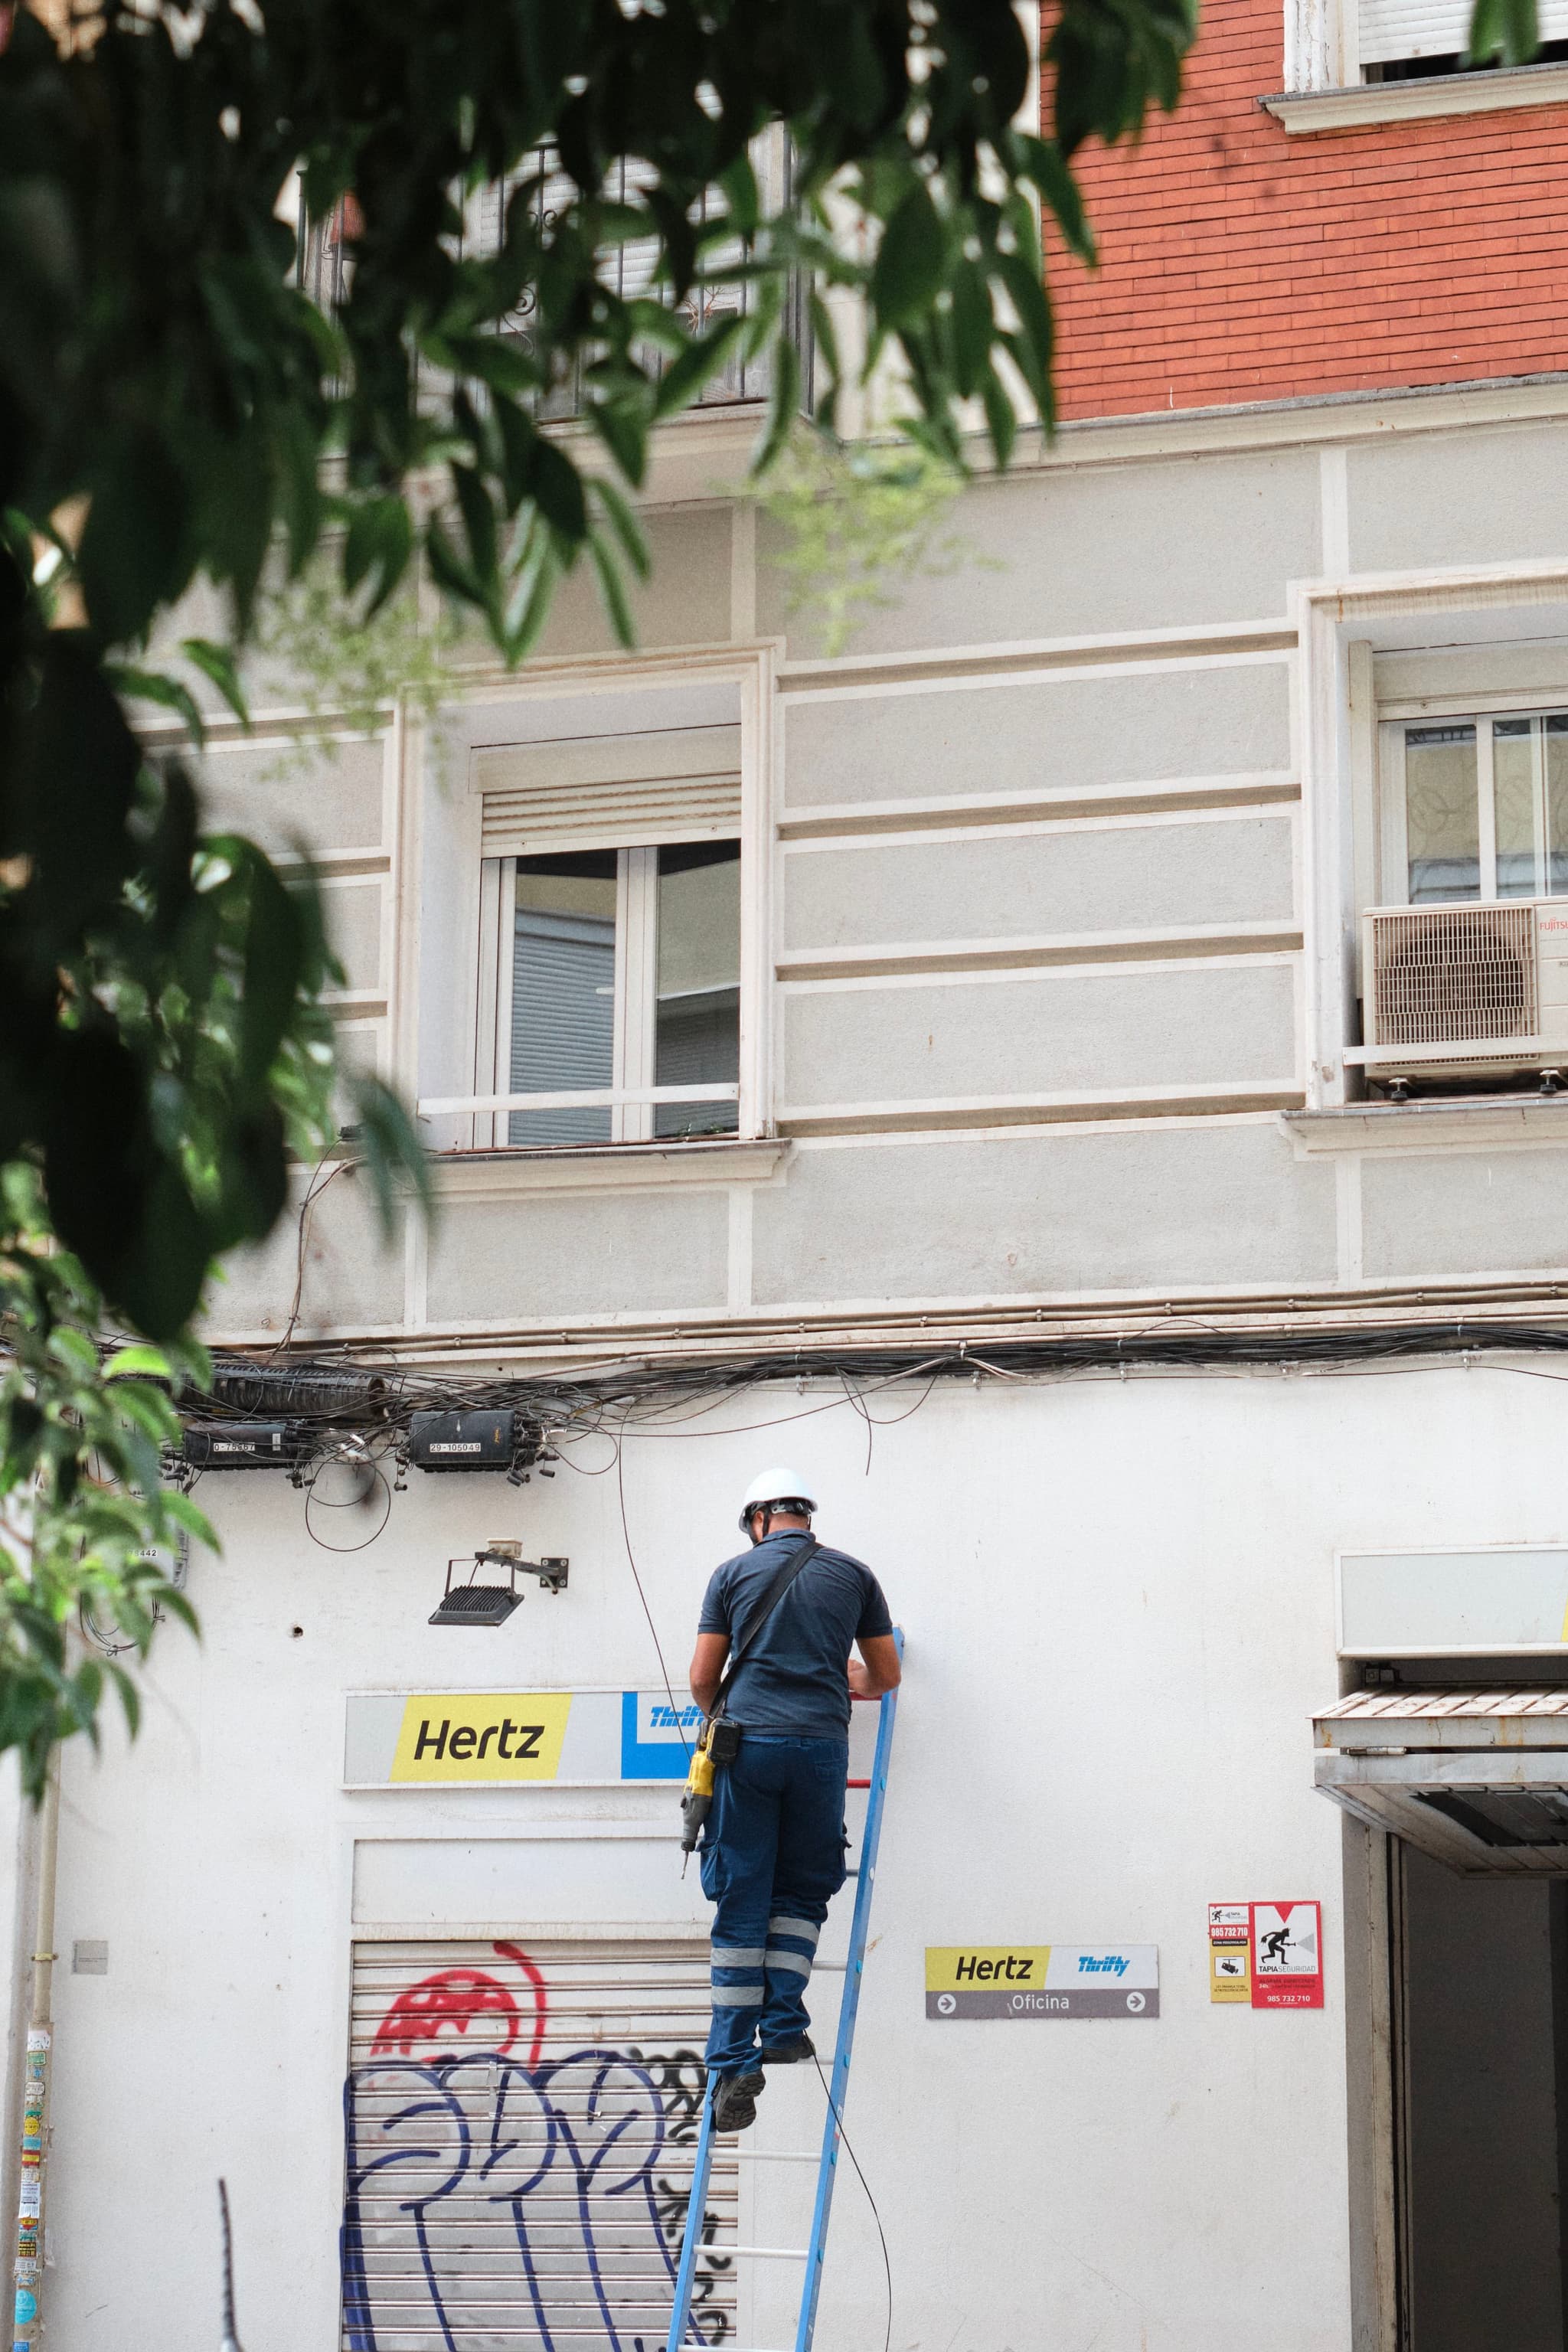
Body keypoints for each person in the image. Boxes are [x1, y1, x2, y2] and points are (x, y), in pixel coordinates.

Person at [688, 1465, 901, 2134]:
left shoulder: (731, 1575)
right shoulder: (855, 1575)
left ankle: (731, 2062)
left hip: (746, 1747)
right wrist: (841, 1677)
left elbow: (702, 1677)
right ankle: (783, 2027)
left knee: (743, 1893)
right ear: (804, 1515)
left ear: (758, 1520)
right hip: (820, 1749)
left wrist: (727, 1714)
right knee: (804, 1891)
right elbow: (884, 1676)